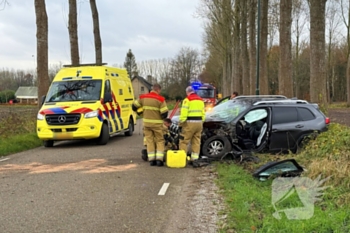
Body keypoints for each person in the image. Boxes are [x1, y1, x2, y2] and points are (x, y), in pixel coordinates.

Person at [132, 84, 168, 166]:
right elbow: (164, 114)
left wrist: (141, 113)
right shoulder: (161, 99)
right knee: (160, 140)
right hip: (157, 125)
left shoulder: (143, 97)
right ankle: (159, 160)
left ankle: (151, 160)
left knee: (149, 140)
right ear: (158, 90)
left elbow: (134, 107)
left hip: (147, 124)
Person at [178, 86, 205, 163]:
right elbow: (203, 113)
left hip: (190, 123)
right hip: (199, 123)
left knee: (183, 140)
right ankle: (195, 159)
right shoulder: (201, 100)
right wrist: (201, 121)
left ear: (187, 92)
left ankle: (182, 159)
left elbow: (184, 114)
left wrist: (181, 123)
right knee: (196, 141)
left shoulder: (187, 100)